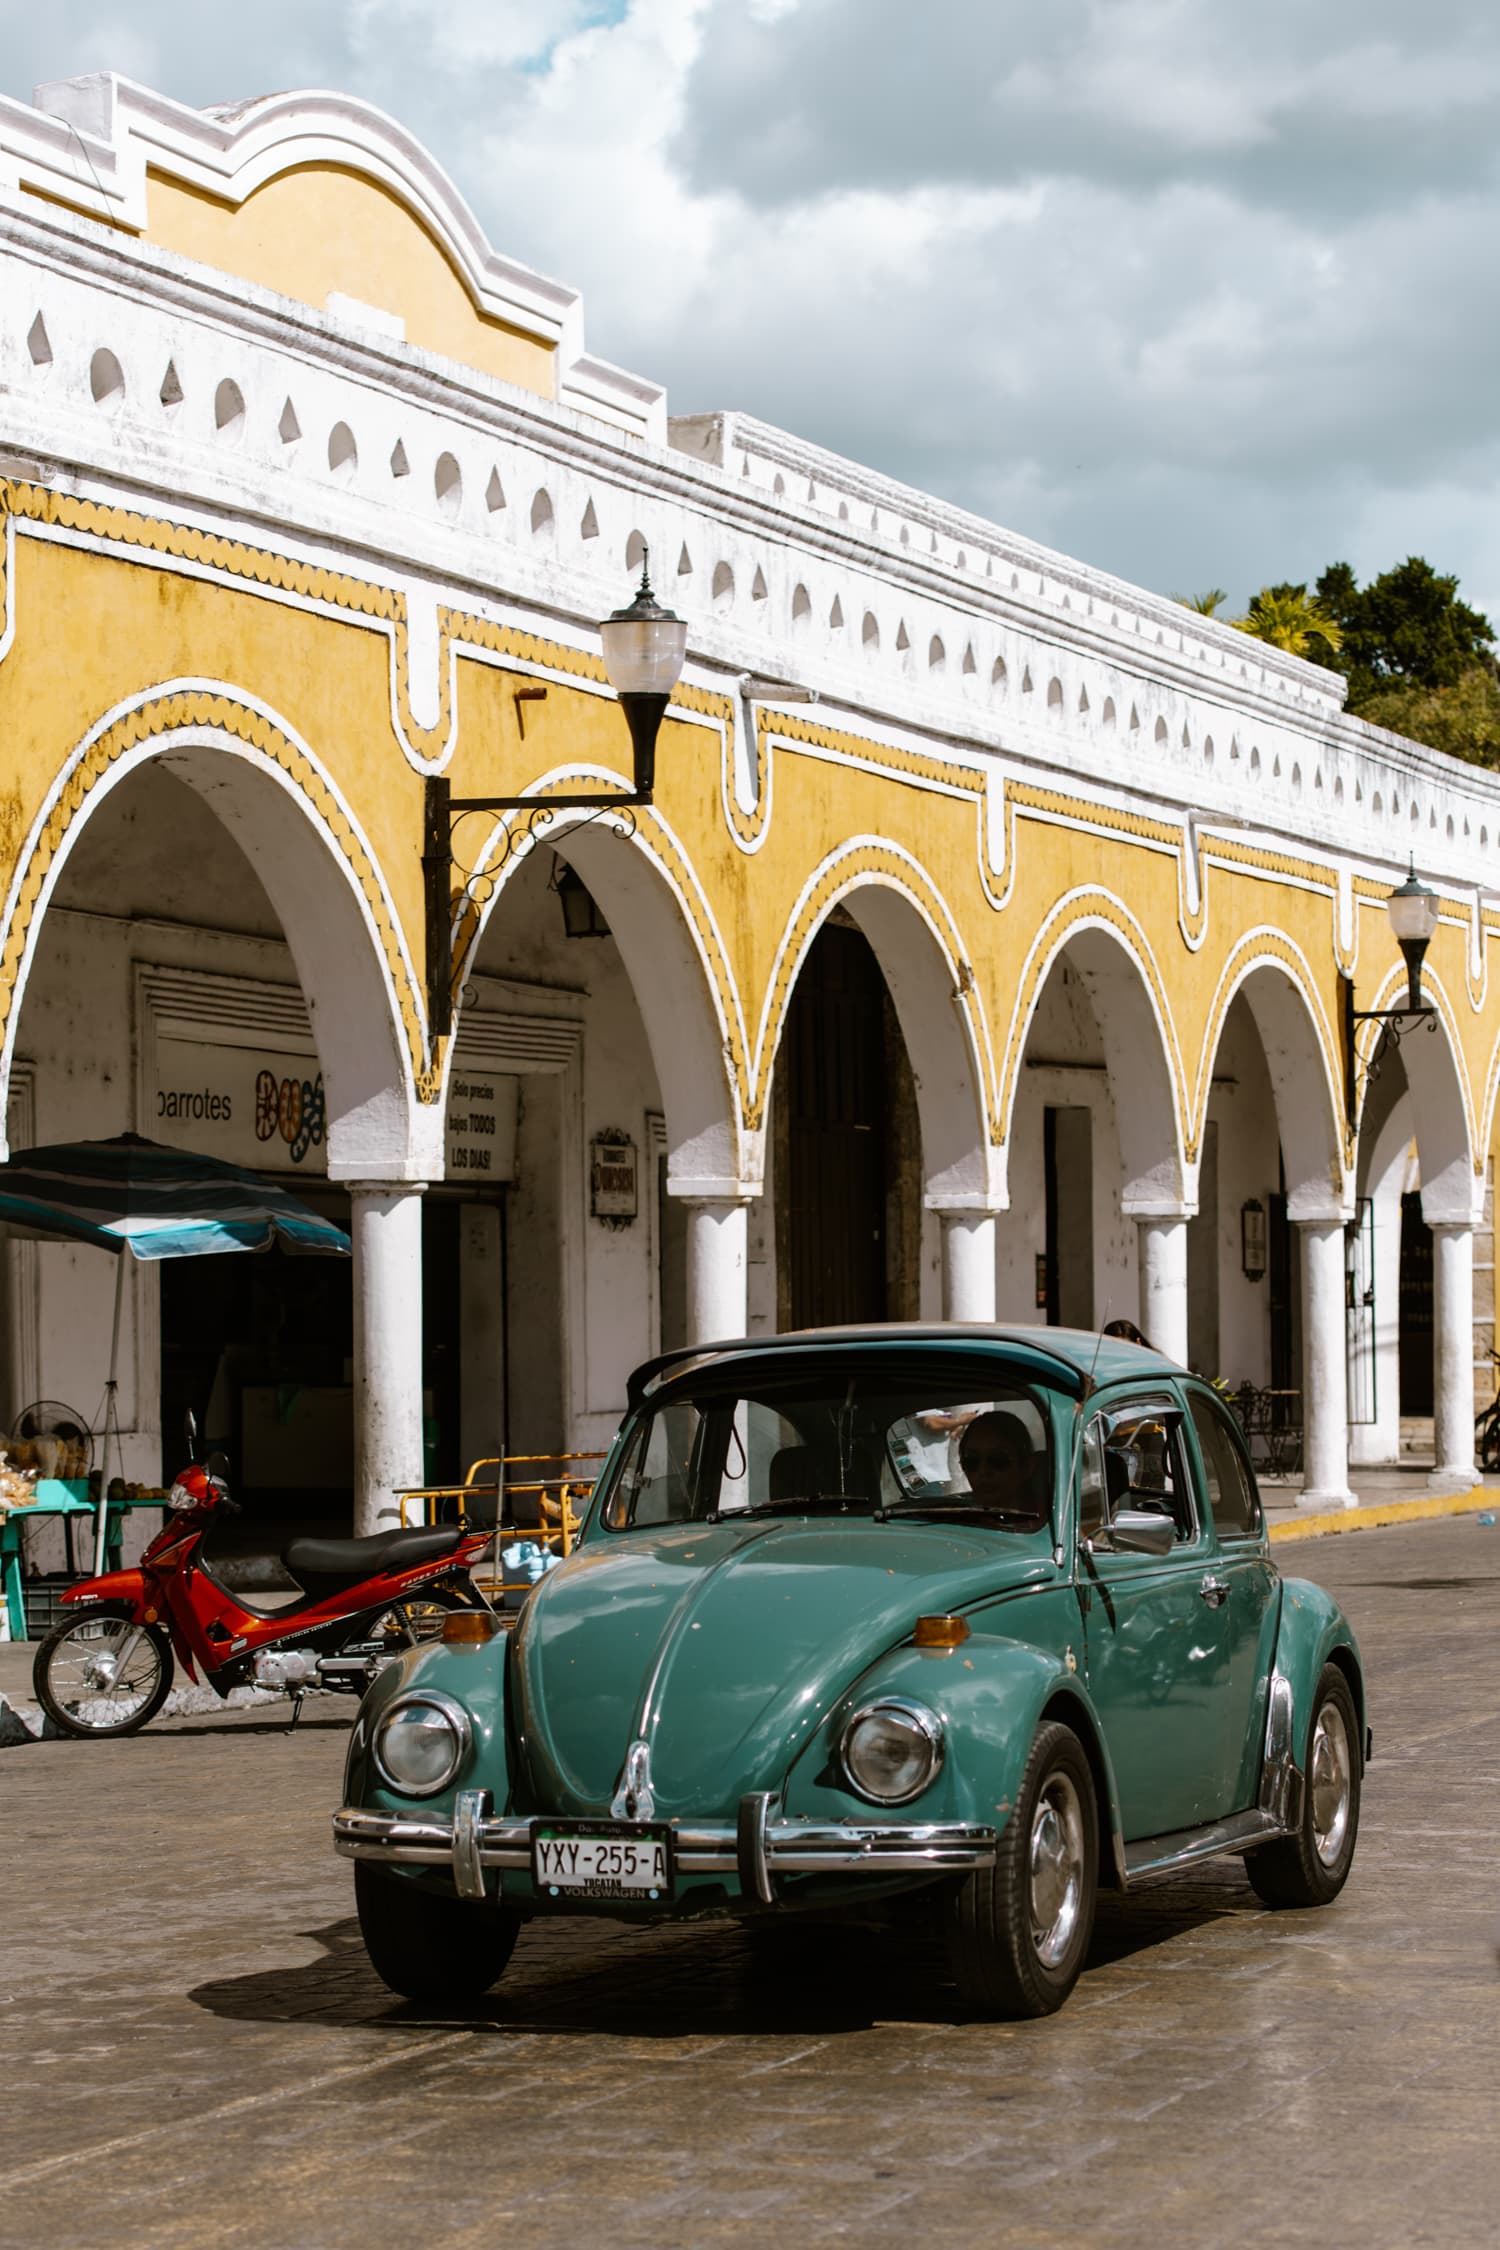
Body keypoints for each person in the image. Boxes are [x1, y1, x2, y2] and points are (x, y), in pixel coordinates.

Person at [957, 1410, 1049, 1531]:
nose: (983, 1471)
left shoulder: (1052, 1526)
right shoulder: (952, 1522)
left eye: (998, 1460)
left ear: (1027, 1466)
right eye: (972, 1461)